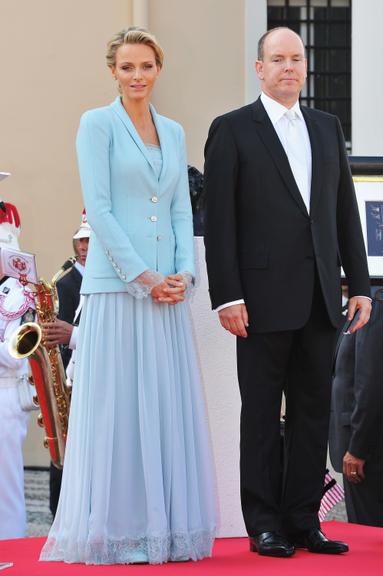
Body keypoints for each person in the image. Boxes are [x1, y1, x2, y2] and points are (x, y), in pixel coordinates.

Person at [40, 27, 216, 565]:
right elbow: (99, 207)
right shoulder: (97, 125)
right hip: (120, 290)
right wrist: (143, 277)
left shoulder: (175, 130)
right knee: (118, 410)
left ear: (158, 69)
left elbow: (181, 210)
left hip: (167, 291)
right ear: (113, 72)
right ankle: (115, 530)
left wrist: (184, 274)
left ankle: (163, 529)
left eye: (145, 66)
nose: (137, 76)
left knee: (162, 410)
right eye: (126, 68)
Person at [204, 27, 371, 557]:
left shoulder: (326, 127)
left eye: (296, 59)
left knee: (312, 413)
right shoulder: (232, 130)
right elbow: (220, 221)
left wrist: (359, 285)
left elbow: (343, 210)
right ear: (259, 68)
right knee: (259, 415)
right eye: (277, 59)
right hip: (257, 302)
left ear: (305, 66)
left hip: (321, 297)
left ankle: (304, 520)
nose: (288, 68)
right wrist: (226, 296)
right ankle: (264, 524)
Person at [329, 286, 383, 528]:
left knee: (372, 542)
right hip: (375, 450)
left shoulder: (377, 306)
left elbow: (372, 383)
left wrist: (358, 449)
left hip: (375, 455)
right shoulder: (365, 305)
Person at [41, 211, 91, 518]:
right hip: (68, 368)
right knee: (62, 445)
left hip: (85, 365)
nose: (83, 246)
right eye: (80, 240)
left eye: (88, 240)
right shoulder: (65, 279)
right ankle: (58, 512)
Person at [0, 189, 36, 539]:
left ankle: (9, 543)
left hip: (6, 391)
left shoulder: (18, 293)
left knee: (5, 479)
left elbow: (13, 353)